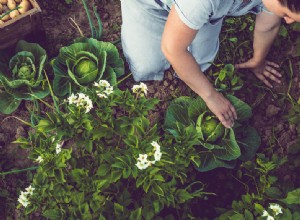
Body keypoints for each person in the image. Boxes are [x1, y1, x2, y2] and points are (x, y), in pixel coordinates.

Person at [120, 0, 300, 128]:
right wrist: (210, 96)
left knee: (200, 63)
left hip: (205, 9)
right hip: (152, 5)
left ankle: (190, 20)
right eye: (287, 14)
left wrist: (258, 61)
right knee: (146, 67)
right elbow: (173, 49)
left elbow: (268, 24)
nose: (289, 21)